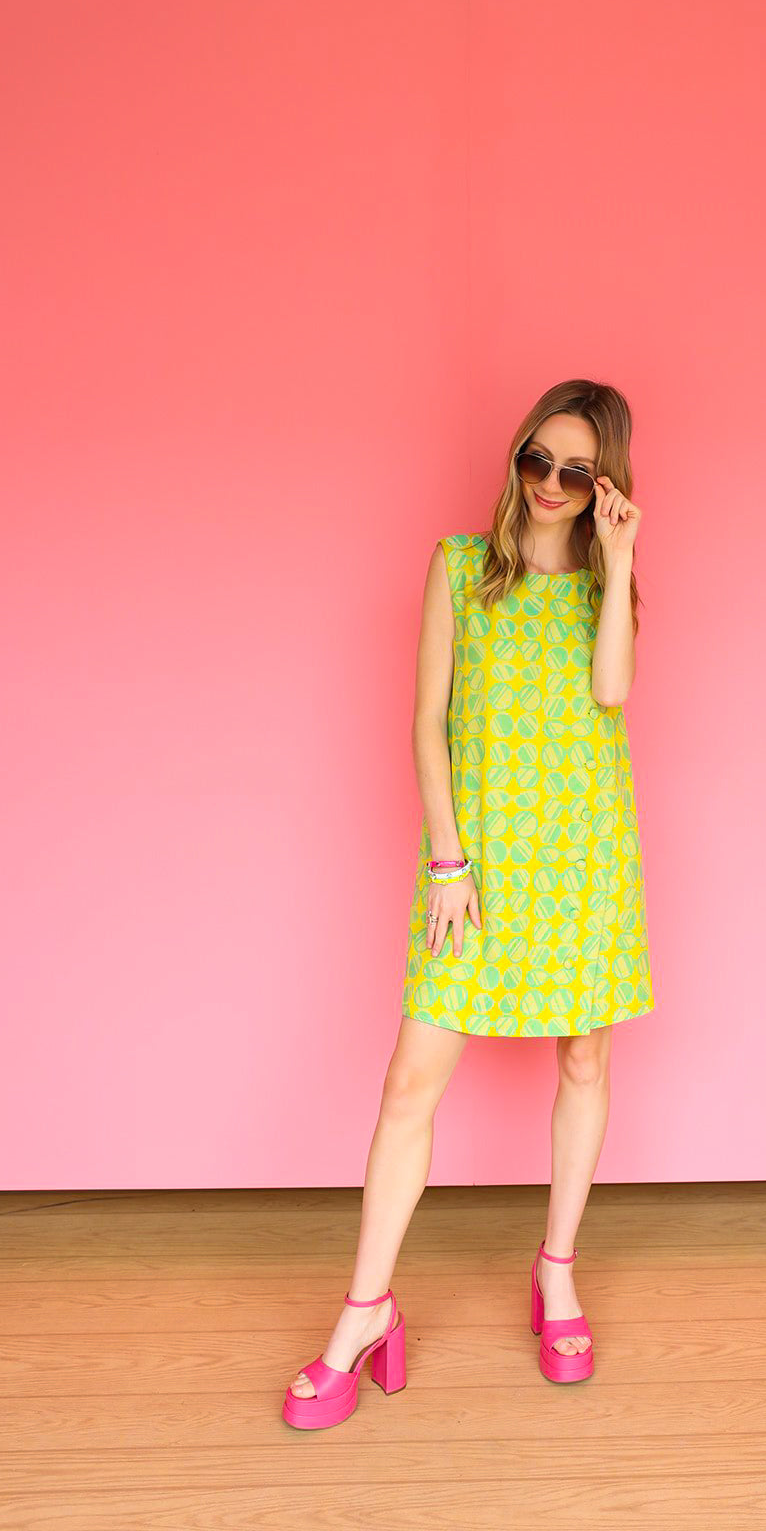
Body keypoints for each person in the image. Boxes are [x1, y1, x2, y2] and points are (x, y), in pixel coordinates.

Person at [283, 378, 655, 1430]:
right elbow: (425, 721)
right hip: (474, 866)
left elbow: (612, 694)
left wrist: (620, 556)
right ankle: (365, 1311)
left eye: (575, 470)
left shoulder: (607, 579)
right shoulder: (457, 566)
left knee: (583, 1060)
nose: (548, 483)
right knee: (409, 1082)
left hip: (582, 857)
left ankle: (556, 1272)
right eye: (537, 459)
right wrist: (447, 860)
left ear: (605, 483)